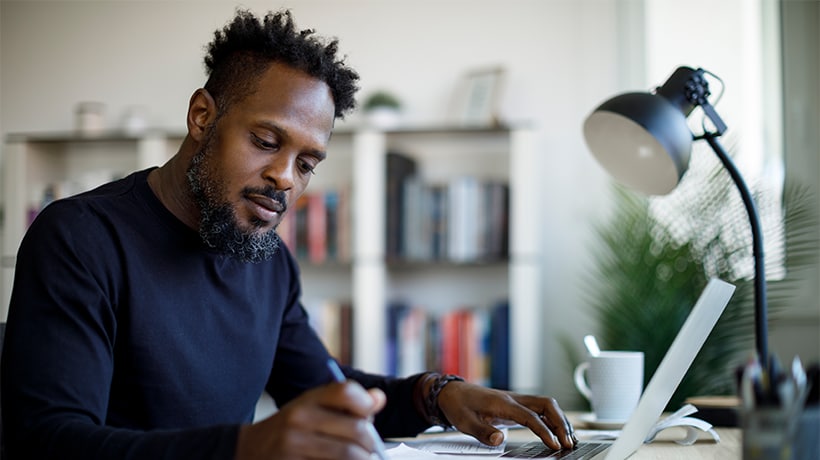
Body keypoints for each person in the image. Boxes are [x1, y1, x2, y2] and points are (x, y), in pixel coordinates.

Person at [0, 9, 577, 460]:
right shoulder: (80, 239)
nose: (284, 176)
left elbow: (322, 391)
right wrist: (246, 449)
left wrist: (437, 395)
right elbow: (49, 443)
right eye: (267, 141)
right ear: (203, 116)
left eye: (307, 163)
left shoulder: (268, 261)